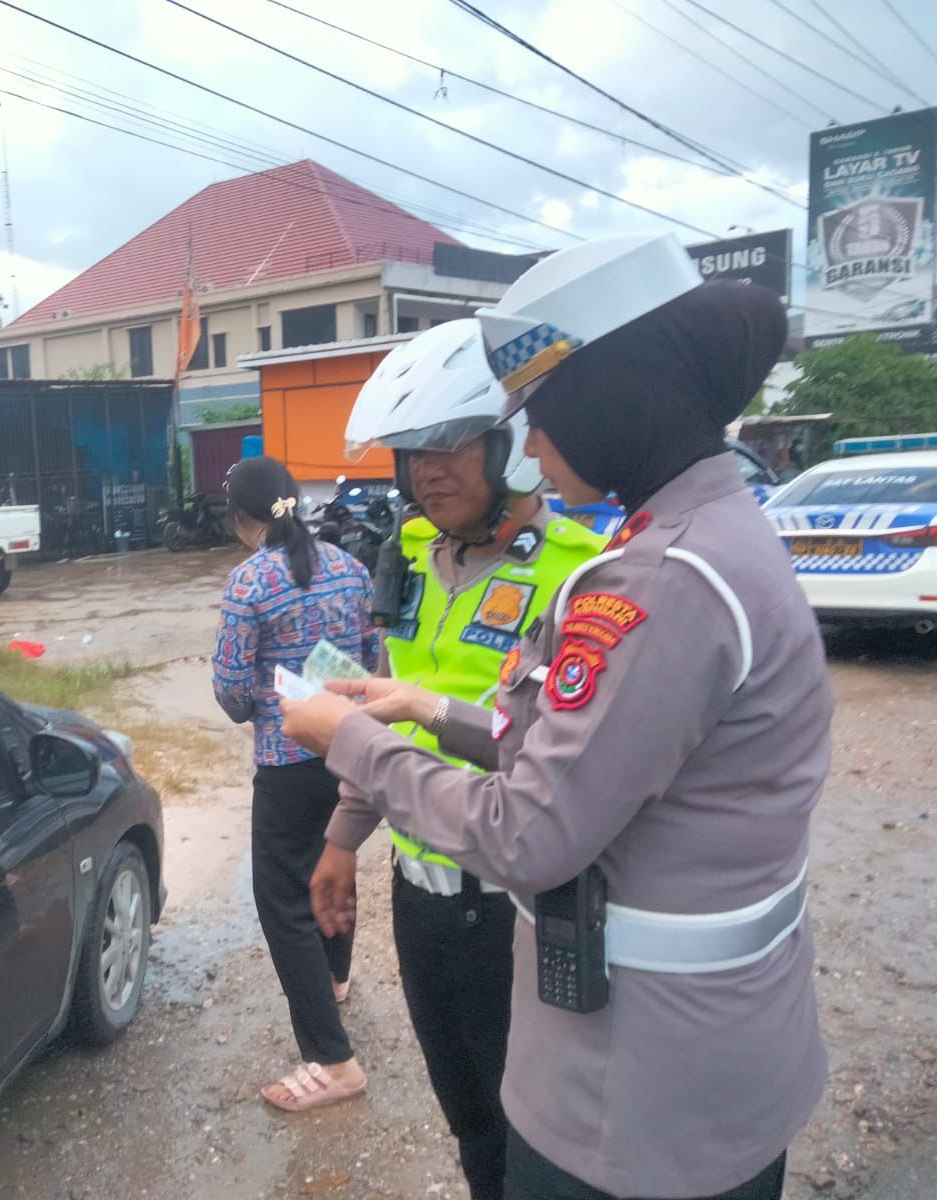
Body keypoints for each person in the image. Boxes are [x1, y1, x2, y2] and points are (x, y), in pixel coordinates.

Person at [282, 234, 829, 1200]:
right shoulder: (710, 536)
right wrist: (422, 710)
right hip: (695, 1056)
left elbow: (529, 828)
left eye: (542, 415)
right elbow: (589, 751)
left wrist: (354, 741)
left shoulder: (659, 581)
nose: (530, 445)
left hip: (635, 1095)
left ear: (613, 401)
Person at [339, 321, 605, 1198]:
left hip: (517, 910)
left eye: (454, 443)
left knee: (533, 1123)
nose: (429, 469)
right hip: (419, 894)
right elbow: (386, 696)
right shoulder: (411, 555)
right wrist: (344, 840)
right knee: (465, 1110)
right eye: (413, 448)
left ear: (516, 449)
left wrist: (424, 711)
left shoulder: (584, 578)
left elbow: (560, 764)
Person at [210, 454, 378, 1112]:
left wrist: (263, 703)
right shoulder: (350, 566)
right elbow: (369, 661)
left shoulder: (248, 582)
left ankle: (331, 1060)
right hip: (348, 753)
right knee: (336, 863)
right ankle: (335, 978)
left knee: (283, 901)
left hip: (285, 765)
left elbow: (228, 690)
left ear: (244, 519)